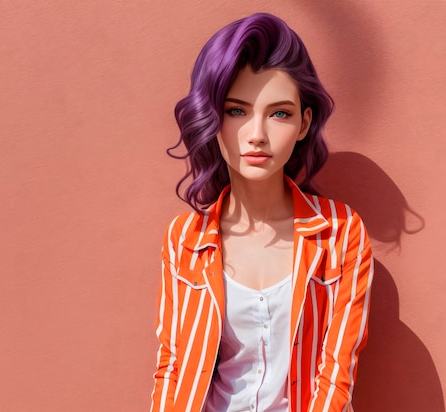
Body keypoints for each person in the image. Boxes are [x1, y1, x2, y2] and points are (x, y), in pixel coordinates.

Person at [150, 13, 373, 412]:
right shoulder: (185, 239)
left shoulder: (340, 233)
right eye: (236, 111)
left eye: (280, 113)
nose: (257, 134)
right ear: (212, 120)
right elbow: (174, 366)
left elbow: (337, 372)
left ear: (304, 123)